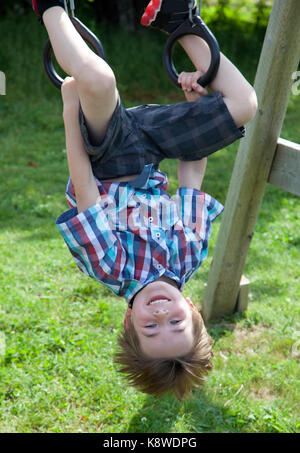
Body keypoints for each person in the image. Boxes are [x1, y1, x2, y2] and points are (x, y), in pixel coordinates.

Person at [32, 0, 258, 400]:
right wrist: (197, 113)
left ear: (128, 321)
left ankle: (50, 8)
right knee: (244, 105)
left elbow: (84, 186)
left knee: (99, 81)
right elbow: (190, 176)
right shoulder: (187, 256)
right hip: (153, 147)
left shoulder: (111, 266)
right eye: (176, 323)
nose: (160, 315)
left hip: (108, 153)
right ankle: (177, 20)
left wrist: (71, 111)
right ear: (191, 308)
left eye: (151, 328)